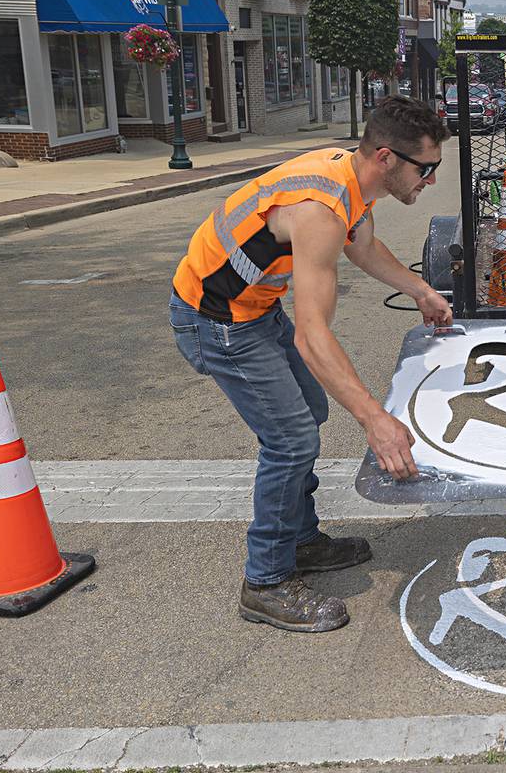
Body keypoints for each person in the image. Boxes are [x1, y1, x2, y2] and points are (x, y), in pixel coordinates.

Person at [169, 96, 452, 632]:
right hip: (217, 322)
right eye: (426, 168)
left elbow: (364, 250)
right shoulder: (319, 208)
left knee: (310, 413)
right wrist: (376, 420)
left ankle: (300, 541)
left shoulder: (351, 180)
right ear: (387, 158)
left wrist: (420, 290)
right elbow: (312, 335)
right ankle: (266, 581)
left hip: (252, 309)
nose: (432, 180)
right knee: (292, 438)